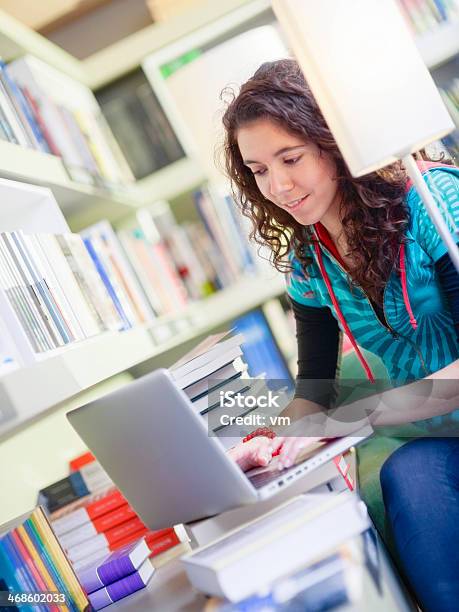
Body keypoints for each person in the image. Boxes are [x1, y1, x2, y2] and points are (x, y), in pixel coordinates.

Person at [221, 58, 459, 612]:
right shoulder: (309, 260)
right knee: (408, 477)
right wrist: (271, 443)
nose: (277, 186)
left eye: (291, 158)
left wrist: (351, 419)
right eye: (258, 170)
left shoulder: (430, 201)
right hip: (438, 439)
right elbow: (314, 391)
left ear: (333, 142)